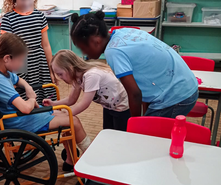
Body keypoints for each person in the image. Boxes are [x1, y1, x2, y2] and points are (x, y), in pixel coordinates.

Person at [0, 33, 91, 172]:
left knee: (64, 116)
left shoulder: (0, 71)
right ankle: (89, 160)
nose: (22, 64)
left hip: (18, 117)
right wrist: (32, 98)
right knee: (73, 121)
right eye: (20, 60)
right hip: (19, 121)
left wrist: (28, 87)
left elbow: (18, 80)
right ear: (7, 58)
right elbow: (26, 108)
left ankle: (70, 160)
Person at [69, 11, 198, 118]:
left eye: (82, 48)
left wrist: (134, 126)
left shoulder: (113, 52)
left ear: (95, 41)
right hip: (185, 85)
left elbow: (135, 93)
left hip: (176, 96)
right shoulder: (123, 33)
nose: (84, 53)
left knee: (145, 138)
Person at [43, 50, 130, 131]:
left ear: (70, 68)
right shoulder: (77, 78)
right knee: (108, 132)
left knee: (119, 134)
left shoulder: (91, 75)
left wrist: (65, 115)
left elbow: (84, 104)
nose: (60, 78)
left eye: (60, 74)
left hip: (121, 107)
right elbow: (71, 99)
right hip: (109, 106)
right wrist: (53, 104)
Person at [0, 0, 57, 103]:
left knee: (45, 95)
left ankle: (47, 117)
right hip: (20, 64)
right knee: (24, 95)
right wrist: (9, 74)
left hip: (39, 62)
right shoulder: (8, 18)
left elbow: (46, 45)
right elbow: (6, 49)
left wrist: (51, 69)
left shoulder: (39, 16)